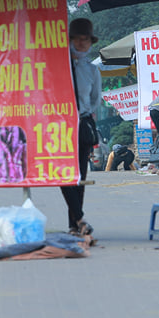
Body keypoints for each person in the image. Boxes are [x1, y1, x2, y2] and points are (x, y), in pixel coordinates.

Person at [63, 17, 102, 237]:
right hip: (60, 125)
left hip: (82, 124)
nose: (81, 44)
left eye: (85, 40)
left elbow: (95, 99)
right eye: (77, 39)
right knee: (62, 173)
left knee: (79, 176)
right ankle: (79, 218)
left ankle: (74, 223)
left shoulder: (91, 70)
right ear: (70, 39)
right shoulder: (59, 65)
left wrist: (82, 114)